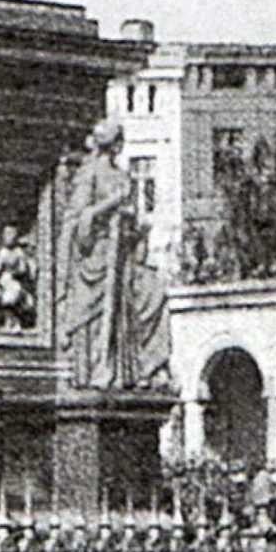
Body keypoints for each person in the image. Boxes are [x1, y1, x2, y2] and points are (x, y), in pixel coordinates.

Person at [57, 121, 169, 389]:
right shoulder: (91, 173)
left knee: (154, 291)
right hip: (96, 255)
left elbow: (129, 219)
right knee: (97, 315)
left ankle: (141, 368)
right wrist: (112, 204)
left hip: (121, 255)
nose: (120, 145)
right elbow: (81, 220)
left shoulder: (123, 176)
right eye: (119, 140)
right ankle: (98, 369)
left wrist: (135, 230)